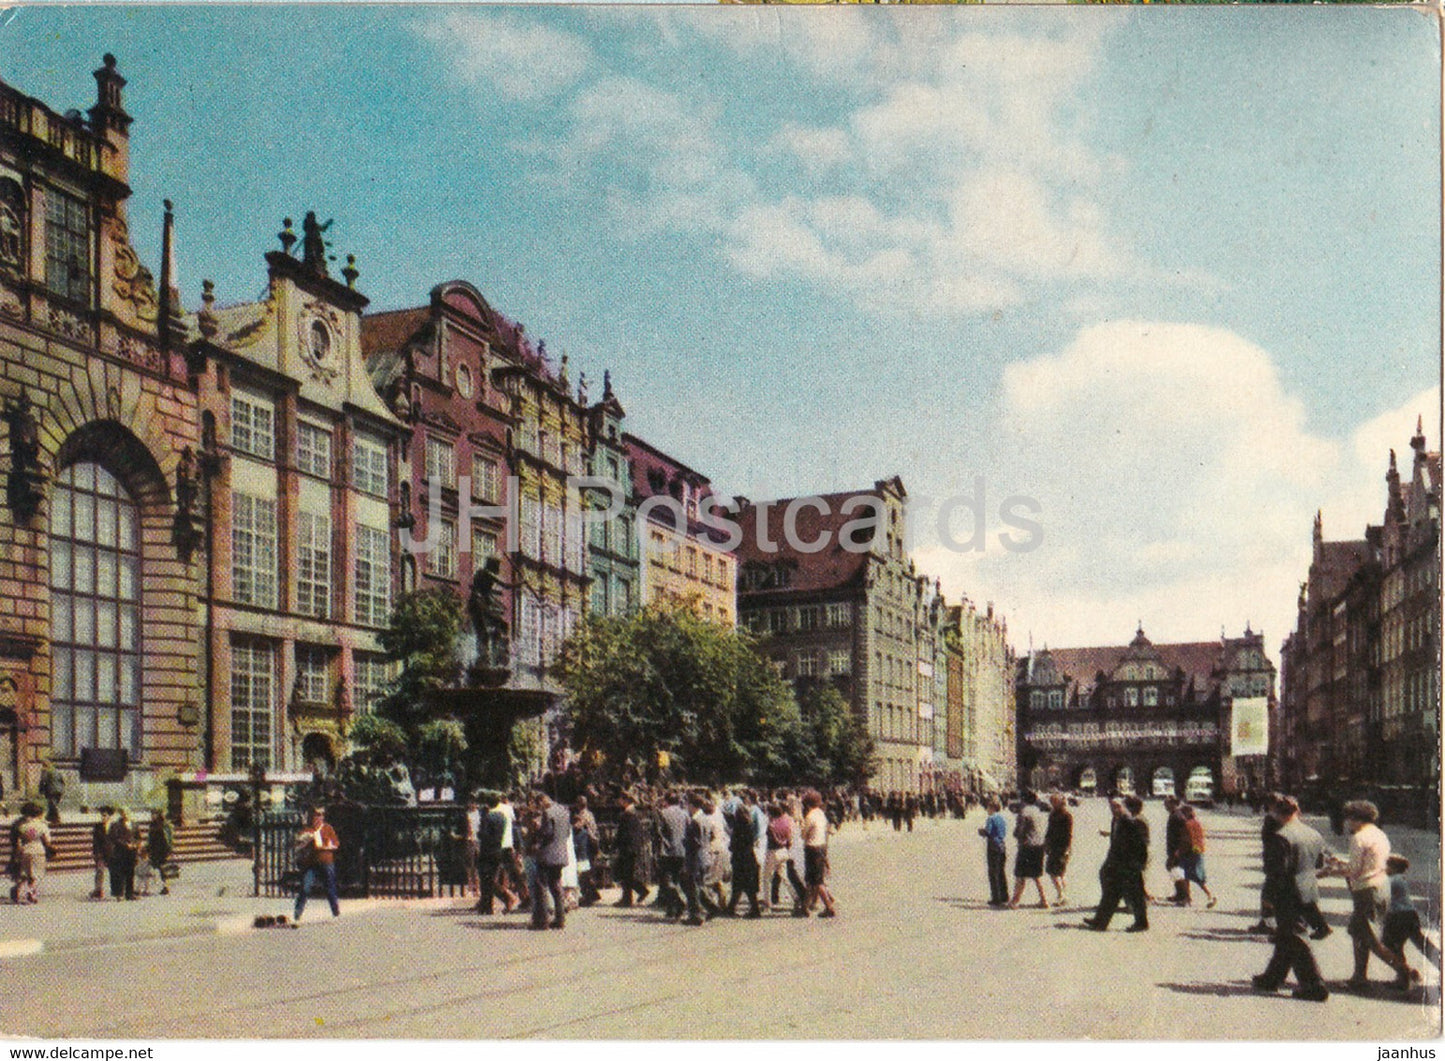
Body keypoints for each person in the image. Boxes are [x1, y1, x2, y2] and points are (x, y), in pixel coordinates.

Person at [1251, 795, 1329, 1002]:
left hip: (1287, 892)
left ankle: (1314, 984)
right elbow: (1319, 864)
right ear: (1298, 811)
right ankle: (1272, 978)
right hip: (1308, 888)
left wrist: (1268, 897)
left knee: (1294, 935)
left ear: (1277, 813)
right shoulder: (1313, 833)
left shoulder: (1280, 837)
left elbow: (1275, 871)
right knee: (1286, 935)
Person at [1333, 800, 1408, 990]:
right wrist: (1342, 862)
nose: (1347, 823)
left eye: (1349, 819)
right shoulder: (1379, 834)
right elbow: (1372, 863)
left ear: (1357, 819)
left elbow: (1355, 871)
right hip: (1381, 887)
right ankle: (1359, 977)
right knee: (1359, 934)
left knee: (1371, 939)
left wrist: (1331, 870)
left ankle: (1406, 971)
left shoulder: (1358, 838)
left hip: (1366, 891)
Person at [1083, 796, 1149, 932]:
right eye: (1112, 806)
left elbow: (1141, 845)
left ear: (1124, 807)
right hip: (1117, 864)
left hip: (1130, 865)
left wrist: (1140, 864)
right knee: (1111, 894)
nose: (1114, 809)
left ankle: (1141, 923)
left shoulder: (1131, 822)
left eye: (1117, 806)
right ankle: (1100, 922)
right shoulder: (1117, 821)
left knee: (1135, 896)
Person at [1381, 854, 1439, 989]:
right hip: (1410, 915)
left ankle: (1404, 975)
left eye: (1386, 865)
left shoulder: (1392, 880)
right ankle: (1409, 973)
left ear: (1393, 867)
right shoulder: (1401, 879)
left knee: (1390, 945)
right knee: (1420, 943)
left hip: (1398, 917)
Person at [531, 792, 571, 930]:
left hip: (547, 854)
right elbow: (567, 833)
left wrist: (537, 833)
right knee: (556, 886)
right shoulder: (564, 811)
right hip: (561, 854)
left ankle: (542, 921)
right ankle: (560, 918)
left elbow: (547, 833)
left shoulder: (548, 813)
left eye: (539, 805)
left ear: (542, 801)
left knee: (541, 885)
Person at [293, 807, 341, 923]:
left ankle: (335, 912)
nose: (318, 818)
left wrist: (328, 846)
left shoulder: (327, 828)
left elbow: (336, 844)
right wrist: (305, 840)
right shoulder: (308, 830)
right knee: (305, 887)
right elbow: (297, 843)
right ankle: (297, 915)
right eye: (316, 815)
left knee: (330, 888)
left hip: (326, 861)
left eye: (321, 815)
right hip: (312, 863)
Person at [1007, 790, 1050, 909]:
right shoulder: (1038, 811)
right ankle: (1044, 900)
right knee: (1036, 875)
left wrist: (1016, 834)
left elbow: (1019, 831)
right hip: (1039, 846)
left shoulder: (1024, 813)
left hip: (1027, 846)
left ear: (1023, 800)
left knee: (1020, 875)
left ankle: (1015, 901)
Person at [762, 802, 806, 915]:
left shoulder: (771, 825)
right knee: (785, 877)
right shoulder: (786, 822)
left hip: (773, 851)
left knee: (767, 879)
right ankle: (796, 898)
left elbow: (771, 838)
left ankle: (768, 904)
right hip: (784, 851)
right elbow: (790, 838)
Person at [801, 790, 837, 917]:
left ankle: (829, 907)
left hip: (812, 848)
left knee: (816, 881)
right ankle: (804, 907)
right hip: (821, 847)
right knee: (812, 880)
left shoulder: (809, 816)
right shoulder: (821, 813)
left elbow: (803, 834)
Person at [655, 791, 689, 920]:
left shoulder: (663, 813)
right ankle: (671, 908)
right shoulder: (685, 813)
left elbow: (658, 832)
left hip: (667, 851)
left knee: (666, 880)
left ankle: (677, 903)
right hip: (682, 851)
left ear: (666, 801)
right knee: (677, 878)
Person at [613, 794, 650, 908]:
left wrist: (616, 845)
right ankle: (634, 894)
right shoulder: (635, 813)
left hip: (627, 848)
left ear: (625, 800)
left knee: (625, 874)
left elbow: (624, 834)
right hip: (633, 847)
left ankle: (629, 898)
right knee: (626, 874)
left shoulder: (627, 814)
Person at [11, 802, 53, 904]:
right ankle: (31, 892)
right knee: (35, 874)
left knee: (24, 873)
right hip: (38, 850)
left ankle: (17, 889)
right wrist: (52, 849)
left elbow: (18, 842)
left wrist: (17, 854)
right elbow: (47, 841)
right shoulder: (42, 826)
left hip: (25, 851)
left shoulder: (21, 826)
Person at [1175, 805, 1216, 908]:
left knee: (1185, 875)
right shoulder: (1197, 823)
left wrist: (1179, 852)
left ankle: (1191, 898)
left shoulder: (1186, 825)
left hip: (1189, 853)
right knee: (1197, 876)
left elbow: (1186, 840)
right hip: (1198, 851)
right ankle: (1202, 896)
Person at [727, 802, 762, 917]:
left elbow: (733, 845)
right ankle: (733, 908)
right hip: (749, 857)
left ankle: (733, 908)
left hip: (739, 858)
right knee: (748, 885)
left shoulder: (737, 827)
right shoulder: (750, 825)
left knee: (738, 885)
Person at [979, 797, 1009, 907]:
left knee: (993, 872)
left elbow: (988, 832)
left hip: (993, 846)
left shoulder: (991, 819)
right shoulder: (1001, 818)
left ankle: (996, 898)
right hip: (1002, 845)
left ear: (992, 808)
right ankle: (1004, 895)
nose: (987, 809)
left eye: (988, 807)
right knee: (1001, 871)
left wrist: (981, 831)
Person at [1044, 792, 1073, 905]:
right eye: (1051, 801)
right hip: (1053, 846)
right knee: (1059, 873)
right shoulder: (1052, 814)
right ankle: (1063, 895)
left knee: (1055, 872)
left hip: (1062, 847)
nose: (1051, 804)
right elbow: (1049, 830)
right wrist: (1046, 842)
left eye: (1053, 801)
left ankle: (1061, 894)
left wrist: (1068, 848)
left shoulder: (1067, 815)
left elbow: (1069, 833)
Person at [572, 796, 601, 907]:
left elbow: (578, 827)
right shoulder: (590, 814)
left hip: (587, 844)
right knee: (587, 872)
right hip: (593, 843)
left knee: (584, 872)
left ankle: (589, 895)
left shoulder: (582, 815)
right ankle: (593, 893)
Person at [106, 808, 138, 901]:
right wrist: (125, 844)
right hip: (120, 853)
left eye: (128, 812)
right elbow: (114, 838)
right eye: (124, 813)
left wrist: (136, 844)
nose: (126, 815)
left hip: (131, 853)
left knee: (130, 873)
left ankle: (130, 893)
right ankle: (119, 893)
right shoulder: (116, 825)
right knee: (119, 873)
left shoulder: (134, 824)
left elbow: (138, 836)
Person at [1163, 796, 1189, 905]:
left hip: (1177, 850)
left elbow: (1184, 834)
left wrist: (1179, 850)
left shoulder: (1178, 816)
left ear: (1173, 803)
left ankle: (1185, 897)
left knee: (1177, 872)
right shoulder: (1174, 815)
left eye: (1167, 804)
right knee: (1173, 869)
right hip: (1173, 848)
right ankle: (1179, 894)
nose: (1165, 806)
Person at [145, 810, 174, 897]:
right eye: (151, 814)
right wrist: (148, 847)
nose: (152, 816)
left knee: (163, 868)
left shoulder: (165, 825)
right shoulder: (152, 824)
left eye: (154, 814)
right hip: (154, 849)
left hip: (162, 849)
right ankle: (149, 887)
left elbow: (169, 838)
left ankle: (166, 886)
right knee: (154, 868)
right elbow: (150, 837)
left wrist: (169, 850)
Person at [91, 806, 114, 900]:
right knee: (99, 871)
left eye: (105, 816)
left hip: (112, 852)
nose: (103, 818)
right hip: (101, 852)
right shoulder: (97, 826)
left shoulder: (115, 826)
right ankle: (98, 890)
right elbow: (95, 841)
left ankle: (117, 890)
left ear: (109, 816)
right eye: (102, 816)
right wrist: (95, 853)